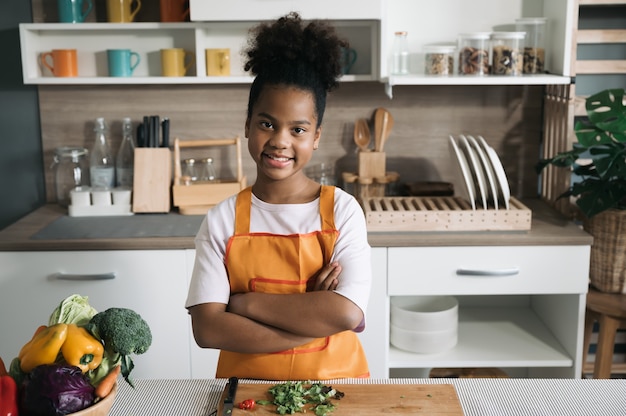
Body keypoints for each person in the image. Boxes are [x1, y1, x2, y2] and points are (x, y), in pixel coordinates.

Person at [185, 12, 371, 380]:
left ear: (316, 137)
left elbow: (347, 313)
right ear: (247, 124)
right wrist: (312, 314)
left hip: (337, 390)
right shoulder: (222, 220)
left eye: (298, 129)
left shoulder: (342, 210)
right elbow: (207, 330)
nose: (280, 141)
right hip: (247, 394)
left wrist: (244, 304)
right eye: (267, 123)